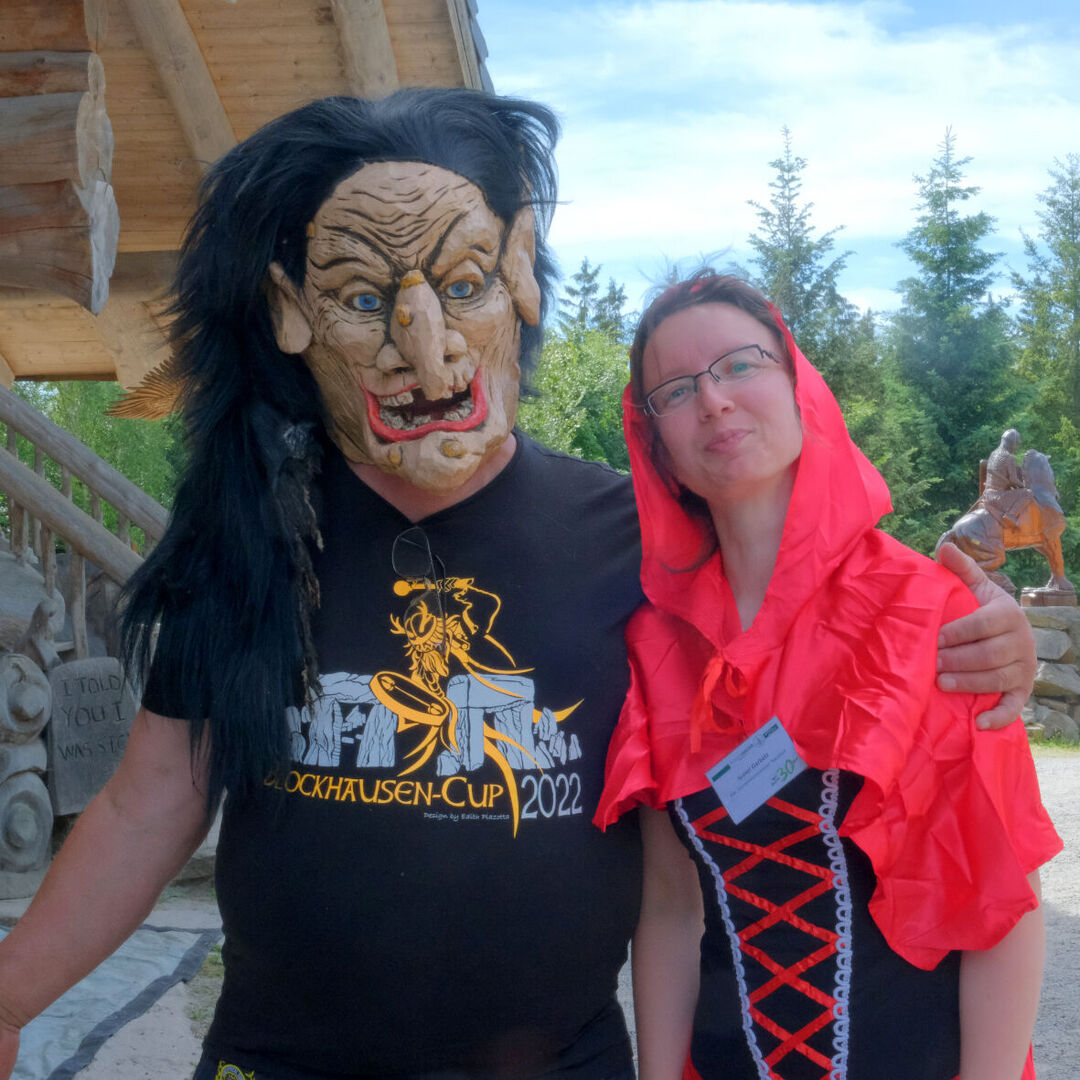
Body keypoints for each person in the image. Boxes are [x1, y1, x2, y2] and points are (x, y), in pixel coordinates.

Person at [0, 93, 1036, 1080]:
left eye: (462, 286)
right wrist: (7, 1002)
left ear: (521, 276)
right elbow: (150, 801)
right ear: (292, 315)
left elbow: (819, 604)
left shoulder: (647, 544)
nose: (427, 345)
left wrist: (984, 641)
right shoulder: (251, 532)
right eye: (362, 300)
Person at [595, 273, 1061, 1080]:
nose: (713, 400)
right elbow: (672, 908)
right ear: (655, 442)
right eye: (676, 389)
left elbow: (1003, 905)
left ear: (799, 385)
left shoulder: (926, 613)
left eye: (740, 364)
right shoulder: (656, 646)